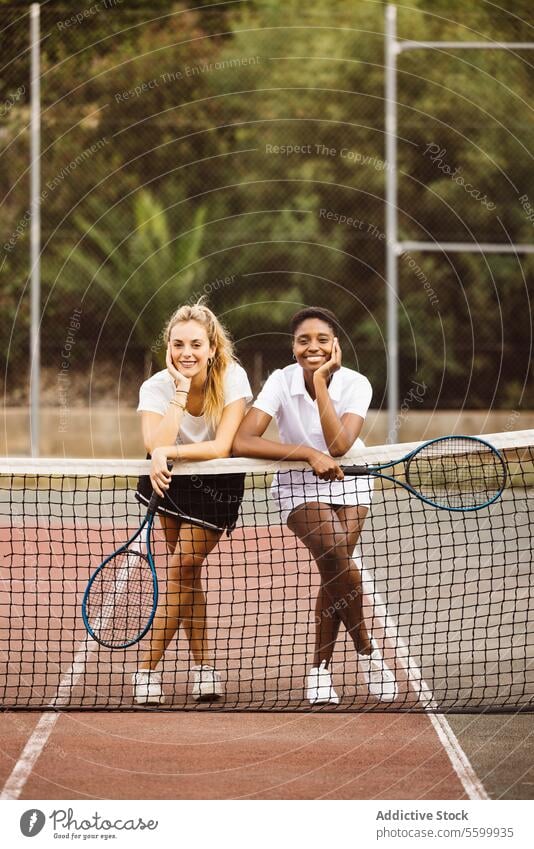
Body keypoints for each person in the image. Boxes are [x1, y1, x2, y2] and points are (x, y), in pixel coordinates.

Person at [233, 306, 397, 704]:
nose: (313, 347)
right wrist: (306, 453)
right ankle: (367, 651)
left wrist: (321, 385)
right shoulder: (280, 381)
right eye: (304, 340)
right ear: (293, 347)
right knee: (334, 551)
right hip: (296, 482)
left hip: (352, 478)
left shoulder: (357, 383)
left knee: (333, 566)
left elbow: (340, 446)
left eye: (322, 340)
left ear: (335, 346)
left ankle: (320, 671)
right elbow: (242, 440)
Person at [132, 302, 252, 705]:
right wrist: (180, 389)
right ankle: (204, 668)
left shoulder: (233, 377)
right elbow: (154, 445)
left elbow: (221, 446)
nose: (187, 352)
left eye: (196, 344)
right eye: (178, 344)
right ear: (168, 347)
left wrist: (173, 455)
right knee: (188, 572)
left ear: (213, 347)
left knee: (182, 565)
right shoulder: (155, 387)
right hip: (168, 483)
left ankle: (146, 668)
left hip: (217, 482)